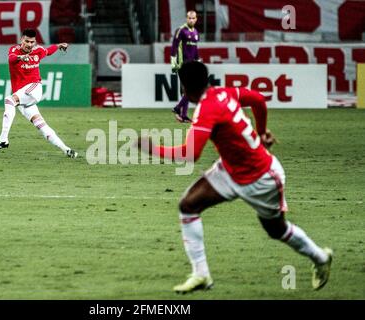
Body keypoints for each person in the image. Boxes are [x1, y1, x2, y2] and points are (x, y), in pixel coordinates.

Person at [138, 61, 333, 293]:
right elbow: (258, 99)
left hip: (261, 178)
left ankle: (320, 257)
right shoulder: (222, 92)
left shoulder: (206, 109)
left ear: (186, 87)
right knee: (188, 205)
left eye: (182, 85)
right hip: (231, 171)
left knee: (276, 229)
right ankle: (201, 275)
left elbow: (190, 154)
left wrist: (152, 149)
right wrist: (261, 132)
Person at [0, 28, 78, 158]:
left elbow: (47, 51)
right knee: (40, 124)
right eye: (27, 41)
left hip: (35, 88)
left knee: (9, 100)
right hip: (24, 96)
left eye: (32, 42)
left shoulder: (37, 50)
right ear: (21, 40)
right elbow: (11, 59)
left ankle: (3, 139)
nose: (30, 45)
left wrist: (58, 46)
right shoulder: (14, 50)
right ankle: (66, 149)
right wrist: (20, 57)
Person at [170, 10, 200, 123]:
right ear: (186, 18)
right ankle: (178, 108)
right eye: (189, 18)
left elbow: (195, 48)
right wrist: (173, 63)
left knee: (188, 89)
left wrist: (198, 60)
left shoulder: (196, 32)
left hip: (192, 64)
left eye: (193, 18)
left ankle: (182, 114)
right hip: (183, 64)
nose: (191, 20)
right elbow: (174, 46)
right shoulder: (181, 30)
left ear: (196, 19)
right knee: (191, 88)